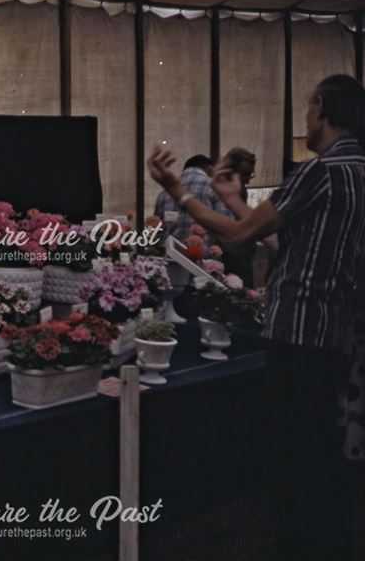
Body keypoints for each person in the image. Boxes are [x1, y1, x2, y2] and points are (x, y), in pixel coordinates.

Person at [147, 73, 365, 561]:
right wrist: (228, 195)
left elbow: (243, 237)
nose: (305, 121)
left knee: (294, 453)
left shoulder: (320, 171)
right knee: (320, 450)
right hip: (332, 332)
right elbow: (283, 241)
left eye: (308, 110)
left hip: (296, 333)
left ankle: (301, 544)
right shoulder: (357, 173)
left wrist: (179, 192)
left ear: (323, 107)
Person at [153, 154, 231, 249]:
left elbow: (157, 233)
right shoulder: (215, 187)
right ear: (210, 169)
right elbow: (227, 229)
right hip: (207, 260)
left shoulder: (164, 192)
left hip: (171, 259)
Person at [219, 147, 258, 285]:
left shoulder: (241, 190)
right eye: (245, 175)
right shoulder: (222, 190)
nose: (247, 180)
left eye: (250, 175)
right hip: (230, 255)